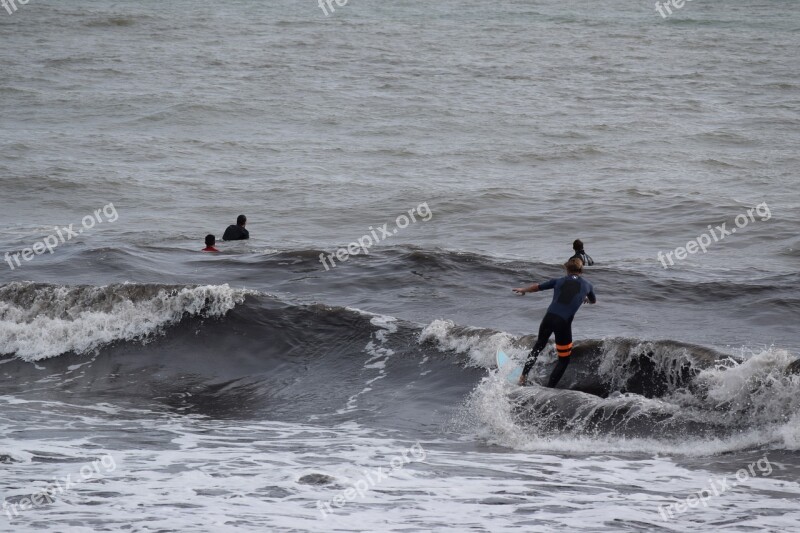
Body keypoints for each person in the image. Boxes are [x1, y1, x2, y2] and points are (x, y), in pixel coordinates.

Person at [513, 258, 596, 388]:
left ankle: (522, 377)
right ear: (581, 270)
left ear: (567, 269)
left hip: (549, 318)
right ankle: (548, 389)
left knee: (538, 346)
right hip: (563, 323)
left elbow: (537, 287)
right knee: (564, 360)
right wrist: (584, 298)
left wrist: (524, 289)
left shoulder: (558, 281)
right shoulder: (588, 285)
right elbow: (593, 301)